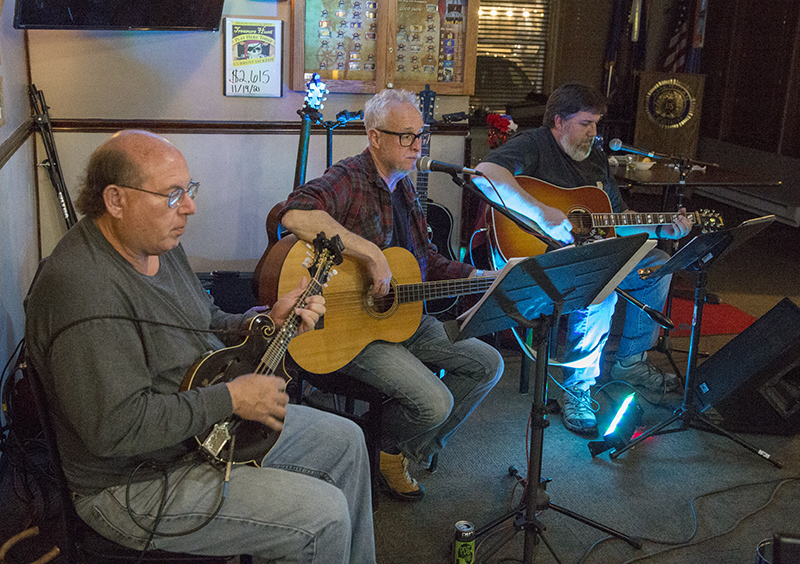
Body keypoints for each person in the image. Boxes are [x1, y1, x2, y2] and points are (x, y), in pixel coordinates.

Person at [25, 130, 376, 562]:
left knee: (346, 440)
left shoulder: (157, 243)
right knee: (323, 516)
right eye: (173, 195)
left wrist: (263, 320)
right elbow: (115, 429)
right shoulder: (82, 290)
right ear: (116, 200)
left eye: (188, 190)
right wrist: (231, 397)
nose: (189, 207)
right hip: (134, 481)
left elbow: (205, 321)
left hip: (201, 434)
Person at [280, 89, 504, 501]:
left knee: (488, 363)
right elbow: (295, 212)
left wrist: (482, 276)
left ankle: (396, 449)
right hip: (349, 329)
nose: (417, 146)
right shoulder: (351, 176)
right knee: (434, 403)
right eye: (406, 136)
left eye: (420, 136)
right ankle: (387, 446)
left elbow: (428, 265)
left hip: (403, 321)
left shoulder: (405, 188)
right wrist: (368, 254)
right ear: (375, 137)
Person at [473, 83, 693, 437]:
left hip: (593, 255)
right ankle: (579, 387)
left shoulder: (595, 159)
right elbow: (484, 173)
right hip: (542, 262)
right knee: (599, 288)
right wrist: (541, 211)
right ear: (559, 122)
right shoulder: (536, 144)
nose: (594, 132)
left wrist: (660, 229)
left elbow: (617, 219)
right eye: (586, 123)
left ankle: (630, 363)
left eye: (596, 124)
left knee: (657, 262)